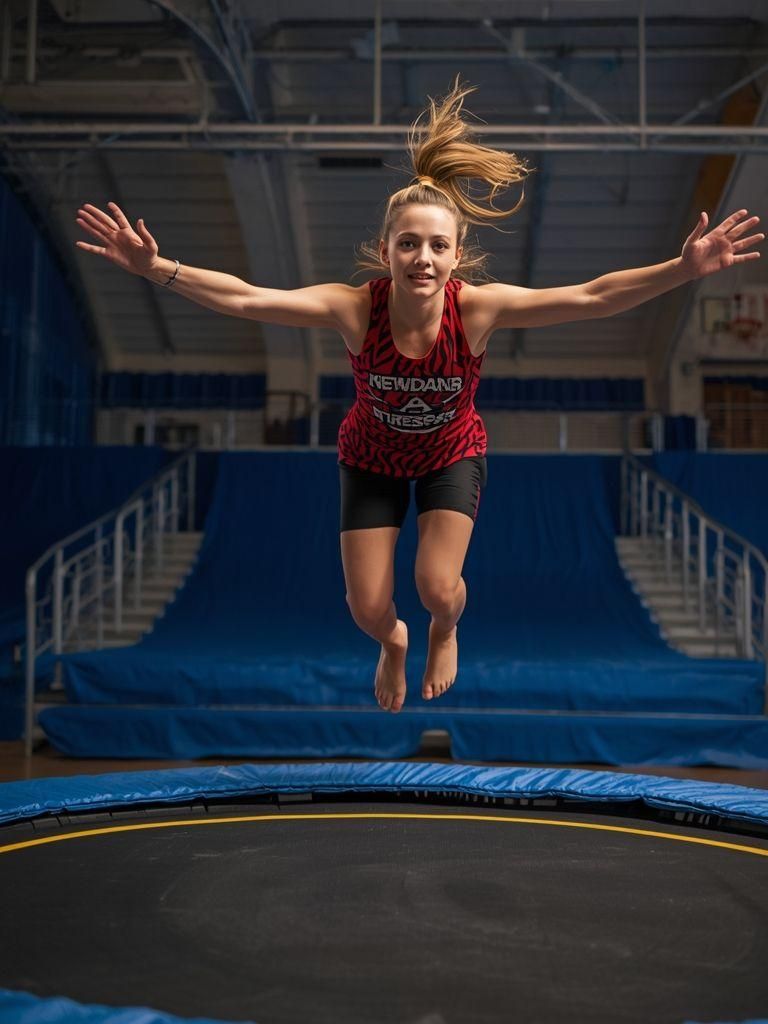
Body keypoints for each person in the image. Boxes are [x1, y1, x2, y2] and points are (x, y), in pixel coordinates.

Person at [75, 79, 763, 715]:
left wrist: (683, 269)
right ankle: (396, 642)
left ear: (456, 256)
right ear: (386, 250)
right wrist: (157, 268)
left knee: (438, 585)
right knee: (368, 608)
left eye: (438, 246)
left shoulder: (477, 312)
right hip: (370, 458)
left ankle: (442, 628)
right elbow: (250, 298)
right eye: (409, 244)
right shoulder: (354, 309)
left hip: (449, 456)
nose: (423, 259)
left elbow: (590, 297)